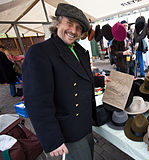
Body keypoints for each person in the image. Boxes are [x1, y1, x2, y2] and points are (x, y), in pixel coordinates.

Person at [22, 3, 110, 160]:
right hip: (65, 132)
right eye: (69, 24)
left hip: (84, 124)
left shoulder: (79, 51)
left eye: (78, 28)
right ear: (57, 23)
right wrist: (52, 140)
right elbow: (36, 102)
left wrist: (100, 80)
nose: (73, 31)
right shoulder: (40, 52)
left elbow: (79, 77)